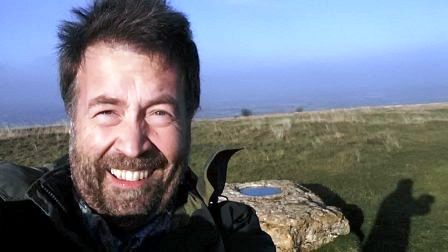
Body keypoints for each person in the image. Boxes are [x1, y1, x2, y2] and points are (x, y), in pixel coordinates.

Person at [0, 0, 275, 251]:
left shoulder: (233, 235)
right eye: (107, 111)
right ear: (73, 119)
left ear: (189, 117)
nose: (133, 147)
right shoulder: (15, 210)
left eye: (159, 113)